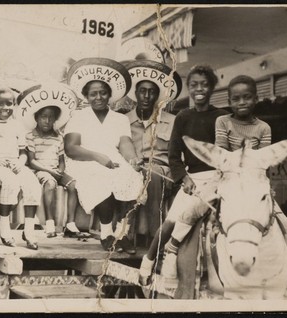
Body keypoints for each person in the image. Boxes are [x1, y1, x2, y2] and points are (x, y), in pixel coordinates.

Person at [139, 65, 229, 285]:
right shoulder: (183, 117)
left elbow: (227, 152)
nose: (199, 89)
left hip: (219, 179)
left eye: (204, 84)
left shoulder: (222, 117)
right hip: (193, 179)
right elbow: (173, 156)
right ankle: (149, 260)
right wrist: (184, 179)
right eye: (194, 85)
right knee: (171, 220)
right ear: (189, 88)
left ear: (212, 88)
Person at [64, 58, 146, 253]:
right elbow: (71, 148)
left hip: (112, 158)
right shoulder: (78, 116)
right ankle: (106, 233)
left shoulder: (119, 118)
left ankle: (122, 233)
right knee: (101, 176)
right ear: (86, 96)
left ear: (110, 95)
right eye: (93, 94)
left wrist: (132, 160)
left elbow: (125, 143)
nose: (98, 97)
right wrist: (98, 157)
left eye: (103, 93)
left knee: (133, 177)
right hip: (83, 159)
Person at [215, 74, 287, 249]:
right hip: (227, 182)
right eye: (236, 99)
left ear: (256, 99)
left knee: (285, 225)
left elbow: (263, 161)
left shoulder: (263, 128)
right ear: (229, 101)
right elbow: (221, 155)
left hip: (254, 184)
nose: (241, 102)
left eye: (247, 97)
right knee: (194, 216)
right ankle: (174, 252)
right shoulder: (223, 122)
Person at [18, 84, 89, 239]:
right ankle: (50, 223)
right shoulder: (30, 136)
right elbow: (31, 161)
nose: (47, 121)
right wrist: (51, 172)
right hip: (40, 170)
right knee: (50, 184)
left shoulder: (58, 137)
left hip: (56, 169)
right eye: (43, 117)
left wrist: (61, 170)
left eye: (51, 118)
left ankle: (70, 223)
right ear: (36, 117)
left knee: (74, 185)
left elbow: (61, 159)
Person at [125, 60, 181, 241]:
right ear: (136, 93)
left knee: (153, 175)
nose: (147, 96)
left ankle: (155, 239)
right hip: (132, 167)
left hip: (162, 171)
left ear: (158, 95)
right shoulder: (124, 121)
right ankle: (125, 235)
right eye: (143, 91)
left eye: (152, 92)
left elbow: (177, 154)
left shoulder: (172, 121)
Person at [0, 85, 42, 250]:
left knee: (32, 184)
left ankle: (29, 230)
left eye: (9, 104)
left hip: (15, 164)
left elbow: (23, 151)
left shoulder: (17, 125)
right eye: (0, 104)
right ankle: (3, 228)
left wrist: (20, 162)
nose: (5, 108)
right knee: (10, 183)